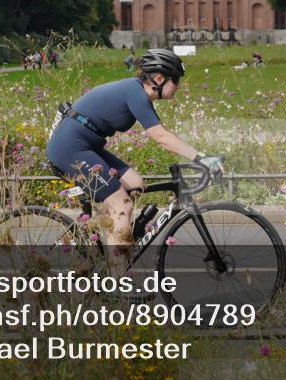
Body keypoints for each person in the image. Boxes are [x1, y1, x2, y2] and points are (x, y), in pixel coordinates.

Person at [45, 49, 224, 256]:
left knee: (136, 184)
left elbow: (162, 131)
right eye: (176, 80)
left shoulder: (137, 92)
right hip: (69, 147)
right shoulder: (136, 93)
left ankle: (111, 240)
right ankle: (116, 278)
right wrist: (200, 158)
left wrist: (198, 154)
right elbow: (160, 137)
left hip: (85, 146)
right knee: (122, 204)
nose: (179, 86)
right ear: (159, 78)